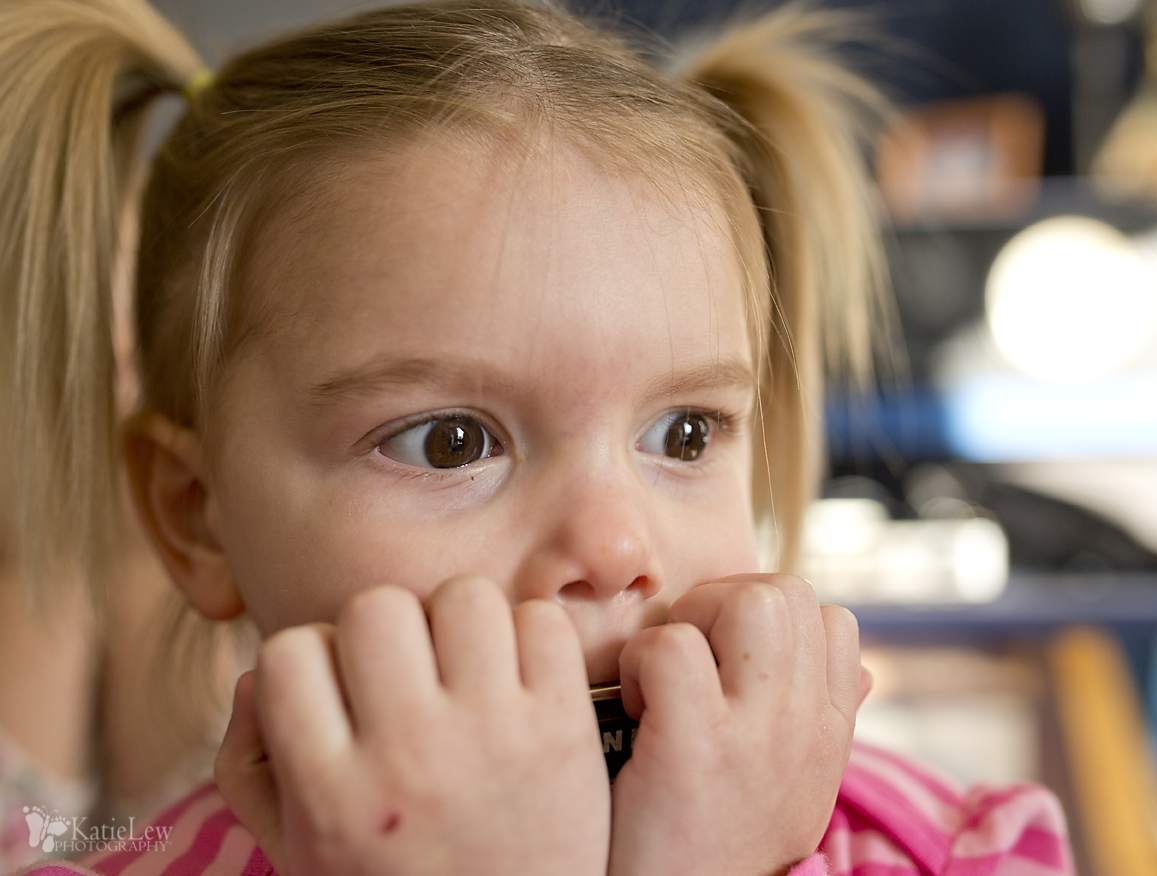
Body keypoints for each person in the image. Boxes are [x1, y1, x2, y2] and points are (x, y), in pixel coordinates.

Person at [0, 0, 1073, 873]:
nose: (614, 549)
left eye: (685, 432)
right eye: (451, 443)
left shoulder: (955, 848)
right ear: (198, 518)